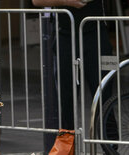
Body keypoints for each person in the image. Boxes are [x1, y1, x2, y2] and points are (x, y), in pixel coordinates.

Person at [32, 0, 113, 153]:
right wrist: (67, 1)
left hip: (95, 32)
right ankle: (66, 149)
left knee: (104, 96)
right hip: (64, 34)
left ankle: (110, 147)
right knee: (65, 100)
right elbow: (36, 1)